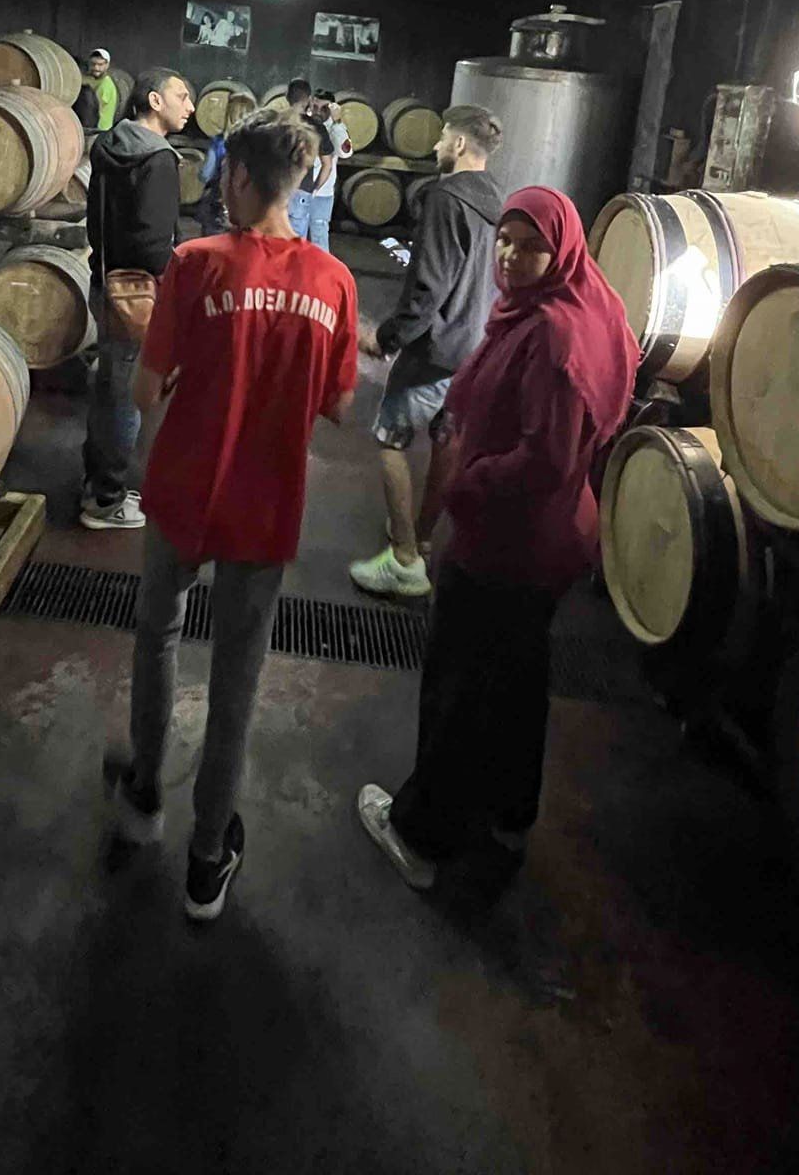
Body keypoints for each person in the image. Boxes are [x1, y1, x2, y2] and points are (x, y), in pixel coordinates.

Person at [105, 109, 358, 920]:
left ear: (241, 177)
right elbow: (340, 406)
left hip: (184, 487)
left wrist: (182, 368)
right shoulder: (335, 281)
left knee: (159, 636)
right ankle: (208, 857)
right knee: (237, 677)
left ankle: (144, 795)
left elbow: (145, 390)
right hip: (266, 499)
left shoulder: (194, 263)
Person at [357, 187, 639, 894]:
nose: (510, 257)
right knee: (515, 683)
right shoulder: (584, 305)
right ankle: (509, 814)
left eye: (530, 246)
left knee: (458, 687)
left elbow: (545, 462)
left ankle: (421, 836)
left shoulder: (553, 336)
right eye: (505, 241)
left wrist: (466, 485)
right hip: (556, 537)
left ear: (561, 249)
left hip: (510, 544)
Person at [349, 105, 504, 600]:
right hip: (474, 348)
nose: (436, 145)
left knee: (389, 441)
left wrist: (386, 339)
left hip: (434, 350)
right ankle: (423, 538)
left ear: (459, 145)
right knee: (446, 443)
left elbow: (426, 288)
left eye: (442, 138)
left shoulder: (446, 197)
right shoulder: (499, 198)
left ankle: (403, 559)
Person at [81, 66, 196, 529]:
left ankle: (96, 482)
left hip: (106, 282)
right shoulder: (159, 159)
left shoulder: (109, 145)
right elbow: (154, 245)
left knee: (109, 387)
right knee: (125, 394)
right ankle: (106, 501)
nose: (190, 107)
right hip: (140, 293)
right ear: (154, 100)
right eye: (182, 96)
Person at [284, 79, 343, 245]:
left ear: (286, 97)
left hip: (277, 190)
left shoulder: (275, 123)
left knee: (273, 242)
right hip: (302, 191)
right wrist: (314, 188)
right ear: (309, 99)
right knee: (296, 245)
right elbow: (327, 165)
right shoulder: (316, 127)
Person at [73, 47, 121, 134]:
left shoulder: (106, 85)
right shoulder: (97, 81)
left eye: (100, 65)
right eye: (93, 64)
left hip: (99, 131)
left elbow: (91, 109)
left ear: (107, 65)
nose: (96, 68)